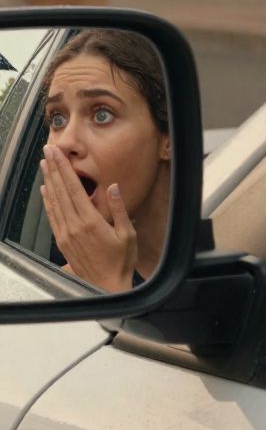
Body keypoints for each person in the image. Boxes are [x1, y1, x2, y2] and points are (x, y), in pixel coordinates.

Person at [38, 29, 170, 293]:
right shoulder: (52, 291)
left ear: (167, 138)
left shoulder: (232, 243)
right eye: (58, 119)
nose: (64, 142)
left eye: (102, 114)